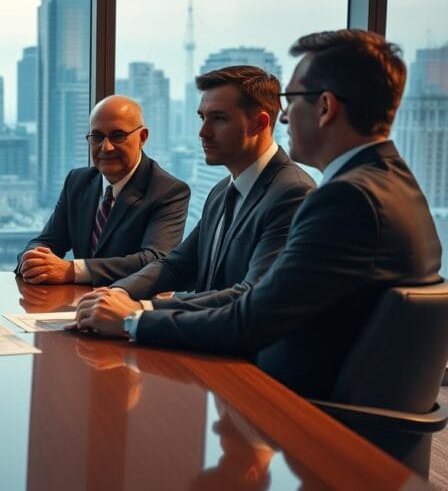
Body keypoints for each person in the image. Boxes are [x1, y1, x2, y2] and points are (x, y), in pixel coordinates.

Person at [74, 29, 443, 399]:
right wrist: (119, 298)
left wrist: (133, 319)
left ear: (326, 107)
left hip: (291, 406)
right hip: (284, 387)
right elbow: (180, 267)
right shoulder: (389, 183)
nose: (285, 117)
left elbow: (252, 316)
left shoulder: (345, 199)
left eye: (292, 99)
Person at [108, 66, 314, 305]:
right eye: (202, 117)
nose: (203, 132)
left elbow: (251, 295)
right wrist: (117, 293)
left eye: (219, 119)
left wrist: (142, 308)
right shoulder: (220, 191)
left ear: (259, 123)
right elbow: (176, 265)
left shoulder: (292, 193)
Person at [18, 95, 190, 285]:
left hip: (132, 307)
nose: (106, 147)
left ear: (142, 137)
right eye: (97, 137)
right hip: (79, 303)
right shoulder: (77, 181)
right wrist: (31, 260)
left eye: (117, 136)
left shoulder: (168, 191)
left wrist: (71, 270)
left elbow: (154, 260)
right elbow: (48, 241)